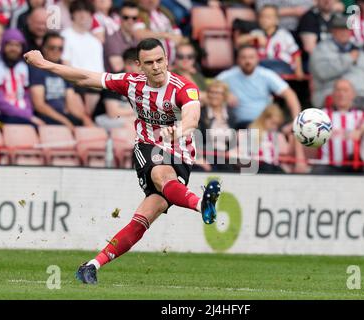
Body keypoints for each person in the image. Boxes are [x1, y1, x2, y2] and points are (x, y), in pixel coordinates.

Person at [24, 38, 222, 284]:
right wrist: (45, 65)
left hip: (181, 155)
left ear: (167, 60)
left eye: (160, 60)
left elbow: (192, 118)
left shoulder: (184, 87)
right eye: (149, 63)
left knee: (144, 217)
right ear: (139, 65)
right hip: (148, 147)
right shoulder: (131, 83)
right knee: (162, 177)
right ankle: (202, 203)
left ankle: (91, 265)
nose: (157, 67)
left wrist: (178, 130)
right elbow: (86, 77)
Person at [217, 45, 308, 173]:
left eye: (251, 57)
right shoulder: (228, 76)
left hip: (265, 124)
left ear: (258, 59)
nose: (247, 61)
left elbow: (290, 95)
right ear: (238, 60)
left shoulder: (266, 75)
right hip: (239, 126)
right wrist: (224, 94)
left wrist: (296, 120)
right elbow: (209, 92)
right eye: (243, 57)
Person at [309, 13, 364, 108]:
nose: (344, 32)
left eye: (347, 29)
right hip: (330, 93)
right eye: (340, 29)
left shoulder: (357, 50)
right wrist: (348, 59)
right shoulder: (321, 49)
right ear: (333, 31)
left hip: (361, 95)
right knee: (344, 98)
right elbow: (322, 72)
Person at [29, 32, 94, 129]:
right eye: (52, 47)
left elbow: (71, 102)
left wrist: (85, 119)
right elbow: (39, 105)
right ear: (44, 48)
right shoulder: (37, 70)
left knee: (84, 125)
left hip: (62, 115)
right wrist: (65, 121)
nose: (56, 51)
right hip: (45, 116)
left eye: (60, 48)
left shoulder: (64, 70)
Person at [312, 79, 364, 174]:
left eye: (345, 90)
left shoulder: (361, 115)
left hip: (352, 167)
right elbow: (303, 127)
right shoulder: (322, 115)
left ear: (353, 94)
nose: (341, 94)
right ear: (333, 94)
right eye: (338, 90)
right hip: (326, 166)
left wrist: (362, 130)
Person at [62, 0, 105, 116]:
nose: (83, 15)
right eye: (79, 11)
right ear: (72, 14)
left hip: (94, 87)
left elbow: (99, 70)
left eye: (86, 12)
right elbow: (65, 65)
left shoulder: (96, 41)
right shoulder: (65, 36)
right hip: (74, 85)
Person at [0, 29, 44, 127]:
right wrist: (28, 116)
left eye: (17, 45)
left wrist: (28, 113)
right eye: (10, 45)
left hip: (22, 114)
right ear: (4, 46)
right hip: (0, 115)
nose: (14, 49)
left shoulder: (22, 67)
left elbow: (26, 95)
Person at [236, 4, 304, 77]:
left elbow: (296, 53)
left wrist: (299, 70)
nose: (264, 20)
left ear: (277, 20)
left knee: (266, 70)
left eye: (268, 17)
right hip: (261, 64)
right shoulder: (256, 33)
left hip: (281, 64)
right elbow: (238, 42)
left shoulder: (284, 34)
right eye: (262, 17)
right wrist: (254, 36)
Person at [197, 80, 237, 172]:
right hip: (205, 156)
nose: (214, 95)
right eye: (211, 92)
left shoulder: (230, 115)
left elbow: (232, 140)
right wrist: (199, 158)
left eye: (218, 93)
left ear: (225, 96)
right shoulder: (200, 113)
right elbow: (194, 139)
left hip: (225, 157)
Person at [95, 47, 138, 129]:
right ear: (124, 63)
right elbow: (113, 112)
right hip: (104, 118)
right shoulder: (114, 80)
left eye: (136, 64)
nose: (133, 68)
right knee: (133, 124)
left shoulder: (143, 81)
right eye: (129, 64)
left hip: (125, 117)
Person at [133, 0, 183, 65]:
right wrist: (165, 35)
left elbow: (178, 35)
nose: (151, 1)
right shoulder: (137, 15)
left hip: (172, 64)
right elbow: (140, 34)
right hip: (152, 64)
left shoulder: (165, 14)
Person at [248, 103, 292, 173]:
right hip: (258, 166)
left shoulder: (275, 135)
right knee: (267, 167)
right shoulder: (254, 132)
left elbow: (283, 153)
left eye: (277, 124)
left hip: (272, 166)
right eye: (272, 123)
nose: (275, 127)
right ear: (264, 119)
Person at [296, 0, 338, 70]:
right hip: (314, 62)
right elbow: (310, 49)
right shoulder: (309, 17)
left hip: (336, 61)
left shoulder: (338, 17)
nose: (327, 1)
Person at [103, 1, 139, 72]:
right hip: (116, 80)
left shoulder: (136, 39)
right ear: (120, 17)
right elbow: (118, 68)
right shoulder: (113, 38)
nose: (130, 21)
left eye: (134, 18)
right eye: (126, 17)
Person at [171, 39, 208, 104]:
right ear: (175, 58)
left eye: (190, 56)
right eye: (181, 56)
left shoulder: (197, 75)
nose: (185, 60)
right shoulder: (171, 76)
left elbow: (208, 96)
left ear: (194, 58)